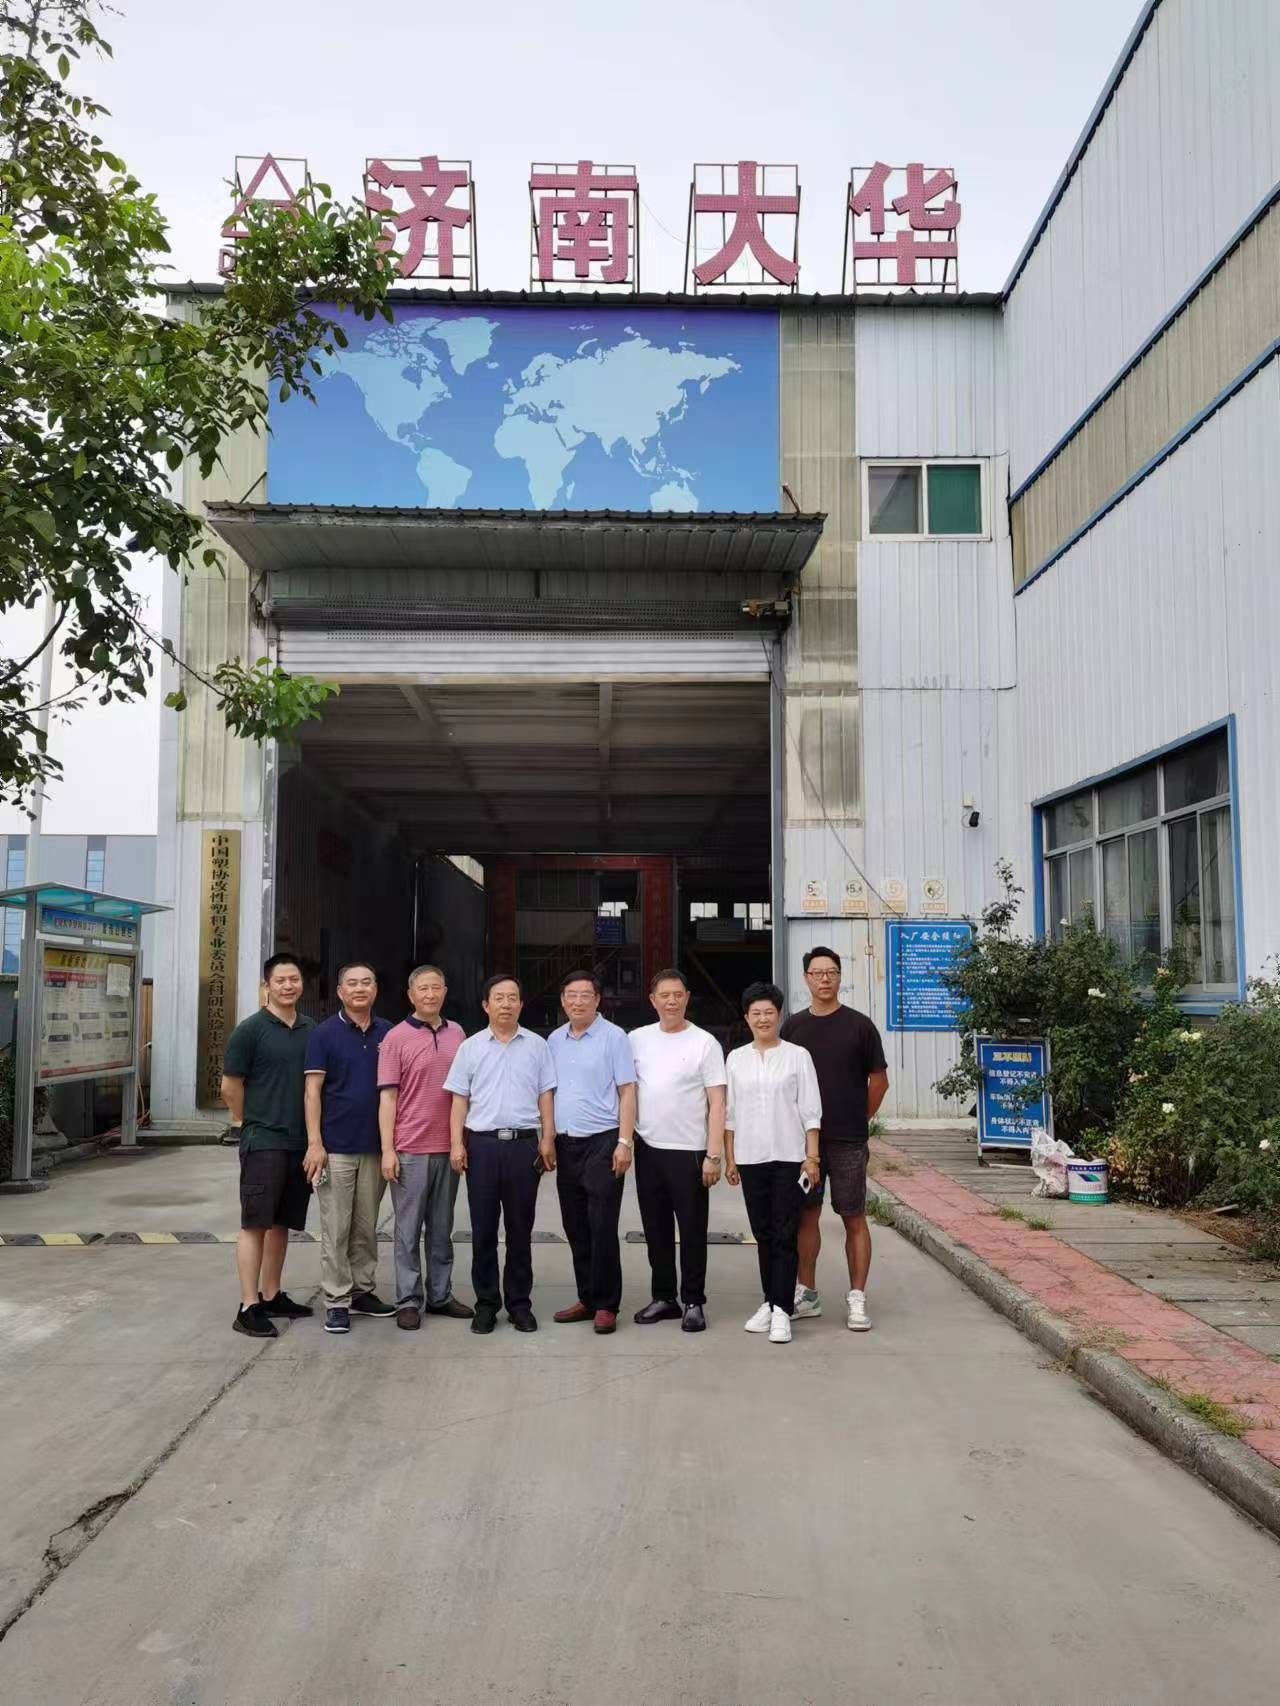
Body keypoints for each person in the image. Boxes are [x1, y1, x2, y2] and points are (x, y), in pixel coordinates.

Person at [781, 946, 889, 1332]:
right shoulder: (793, 1028)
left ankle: (857, 1297)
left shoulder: (860, 1026)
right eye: (817, 973)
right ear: (806, 979)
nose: (824, 979)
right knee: (806, 1215)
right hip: (804, 1143)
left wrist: (859, 1118)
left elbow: (879, 1081)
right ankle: (806, 1293)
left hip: (848, 1141)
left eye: (831, 972)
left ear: (840, 977)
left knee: (853, 1216)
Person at [443, 974, 556, 1334]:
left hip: (524, 1146)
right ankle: (487, 1304)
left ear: (521, 1004)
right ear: (486, 1005)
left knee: (520, 1230)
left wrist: (547, 1138)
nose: (506, 1004)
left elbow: (546, 1095)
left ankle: (520, 1304)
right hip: (483, 1146)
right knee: (483, 1230)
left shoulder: (537, 1045)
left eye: (512, 998)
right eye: (499, 998)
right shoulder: (470, 1047)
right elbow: (459, 1100)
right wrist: (457, 1143)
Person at [222, 952, 317, 1338]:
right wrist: (250, 1121)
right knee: (255, 1224)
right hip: (263, 1142)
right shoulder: (250, 1030)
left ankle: (272, 1294)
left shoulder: (311, 1029)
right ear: (267, 986)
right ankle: (248, 1306)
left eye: (294, 979)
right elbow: (230, 1087)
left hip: (300, 1144)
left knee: (281, 1224)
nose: (288, 986)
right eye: (280, 980)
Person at [723, 981, 822, 1346]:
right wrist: (730, 1158)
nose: (763, 1019)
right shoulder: (736, 1059)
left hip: (789, 1158)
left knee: (784, 1234)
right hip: (750, 1158)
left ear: (779, 1016)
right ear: (746, 1018)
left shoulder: (798, 1056)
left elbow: (810, 1110)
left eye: (769, 1012)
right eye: (756, 1013)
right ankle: (770, 1301)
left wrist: (812, 1157)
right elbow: (730, 1114)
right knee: (763, 1234)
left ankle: (782, 1310)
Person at [629, 968, 727, 1333]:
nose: (671, 1001)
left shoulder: (704, 1043)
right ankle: (664, 1297)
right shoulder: (637, 1039)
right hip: (649, 1148)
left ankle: (694, 1301)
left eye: (677, 995)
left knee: (692, 1230)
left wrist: (713, 1155)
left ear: (687, 998)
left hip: (690, 1151)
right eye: (664, 995)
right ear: (652, 1000)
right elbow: (626, 1091)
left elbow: (718, 1102)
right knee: (655, 1229)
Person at [302, 962, 396, 1334]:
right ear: (340, 992)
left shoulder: (389, 1033)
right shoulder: (324, 1034)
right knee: (336, 1228)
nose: (360, 989)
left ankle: (362, 1292)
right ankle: (337, 1300)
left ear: (376, 989)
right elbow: (312, 1092)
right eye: (352, 983)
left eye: (366, 982)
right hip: (335, 1149)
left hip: (375, 1147)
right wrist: (315, 1143)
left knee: (366, 1227)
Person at [378, 964, 471, 1331]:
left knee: (442, 1227)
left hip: (448, 1147)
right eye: (423, 989)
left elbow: (465, 1092)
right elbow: (388, 1098)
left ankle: (440, 1295)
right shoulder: (395, 1038)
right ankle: (408, 1300)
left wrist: (460, 1141)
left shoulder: (458, 1033)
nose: (430, 995)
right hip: (410, 1149)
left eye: (436, 988)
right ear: (411, 995)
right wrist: (388, 1150)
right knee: (407, 1230)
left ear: (445, 992)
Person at [546, 970, 637, 1335]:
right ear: (563, 1000)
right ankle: (587, 1297)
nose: (578, 1001)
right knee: (575, 1225)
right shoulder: (554, 1039)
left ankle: (606, 1304)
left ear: (598, 1000)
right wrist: (547, 1137)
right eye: (571, 995)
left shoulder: (614, 1037)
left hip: (603, 1142)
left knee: (602, 1224)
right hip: (567, 1144)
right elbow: (548, 1093)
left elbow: (627, 1091)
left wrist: (624, 1142)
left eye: (586, 995)